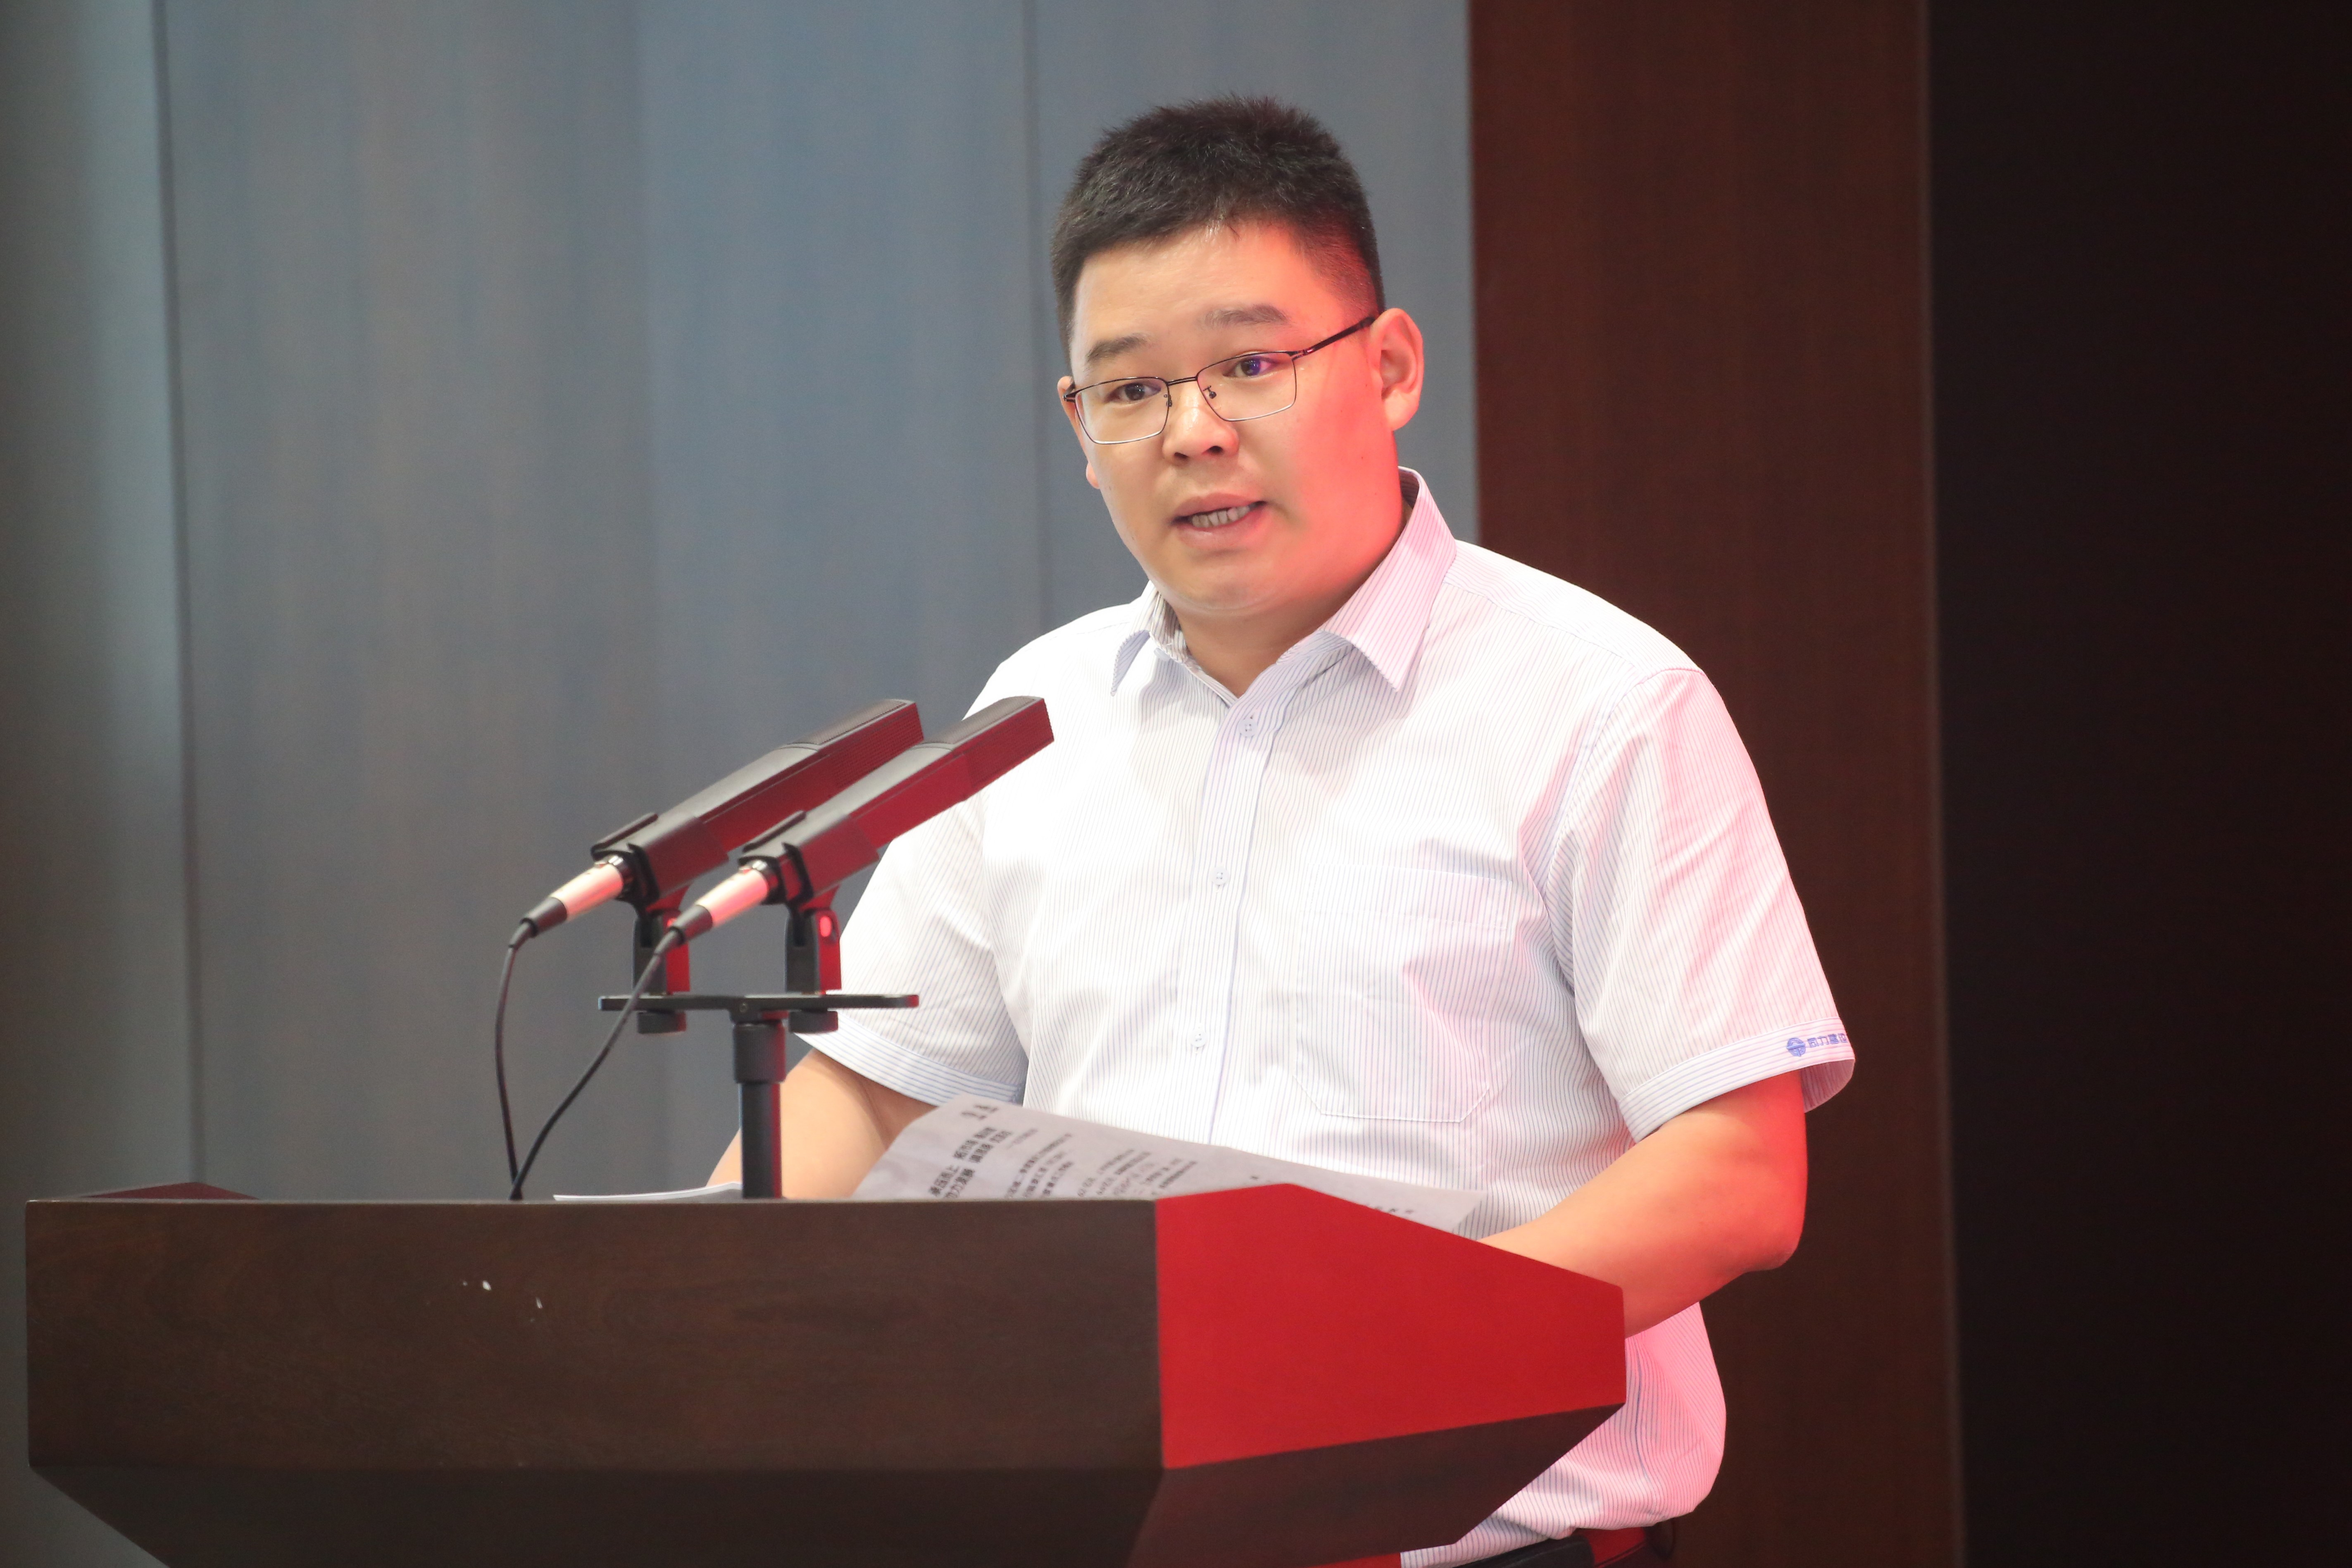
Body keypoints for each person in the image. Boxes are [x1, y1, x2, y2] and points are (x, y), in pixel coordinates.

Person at [714, 97, 1852, 1568]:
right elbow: (875, 1098)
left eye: (1250, 365)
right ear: (1079, 428)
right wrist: (668, 1298)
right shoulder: (1036, 713)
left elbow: (1736, 1174)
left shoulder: (1601, 702)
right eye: (1130, 388)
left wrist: (1368, 1364)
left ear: (1389, 366)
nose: (1191, 432)